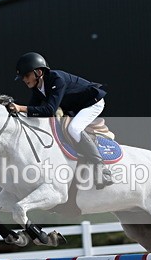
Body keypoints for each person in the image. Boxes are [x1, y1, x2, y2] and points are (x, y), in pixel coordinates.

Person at [8, 52, 113, 189]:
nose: (24, 79)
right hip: (76, 107)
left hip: (92, 103)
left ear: (39, 72)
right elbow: (32, 112)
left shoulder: (56, 79)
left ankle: (102, 169)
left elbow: (49, 110)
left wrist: (20, 108)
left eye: (26, 75)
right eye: (22, 77)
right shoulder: (37, 88)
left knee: (73, 129)